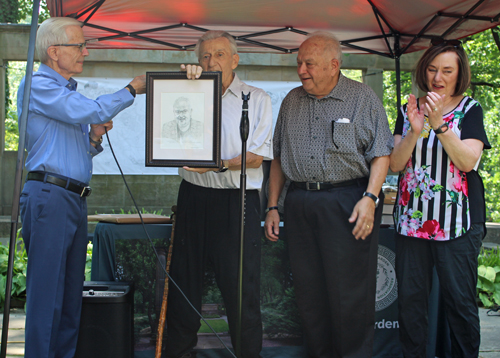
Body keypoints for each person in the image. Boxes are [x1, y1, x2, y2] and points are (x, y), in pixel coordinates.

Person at [17, 17, 146, 358]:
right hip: (50, 197)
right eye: (79, 45)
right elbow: (92, 109)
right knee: (48, 298)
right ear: (53, 51)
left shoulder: (64, 93)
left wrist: (92, 139)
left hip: (71, 198)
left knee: (71, 295)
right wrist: (132, 88)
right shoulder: (38, 85)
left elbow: (70, 149)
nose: (85, 52)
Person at [264, 31, 394, 358]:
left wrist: (371, 198)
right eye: (299, 63)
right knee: (309, 295)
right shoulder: (292, 100)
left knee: (349, 295)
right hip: (301, 203)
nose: (301, 70)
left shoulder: (362, 98)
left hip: (348, 201)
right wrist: (273, 206)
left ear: (334, 65)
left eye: (309, 64)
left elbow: (382, 152)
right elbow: (278, 157)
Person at [164, 31, 273, 358]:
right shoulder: (184, 94)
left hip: (236, 203)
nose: (211, 62)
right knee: (184, 288)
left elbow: (257, 156)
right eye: (205, 56)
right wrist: (178, 85)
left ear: (235, 60)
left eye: (220, 55)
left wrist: (218, 165)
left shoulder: (256, 99)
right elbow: (166, 135)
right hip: (192, 199)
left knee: (242, 293)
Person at [390, 39, 490, 358]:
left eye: (447, 70)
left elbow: (467, 162)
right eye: (432, 69)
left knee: (459, 304)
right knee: (410, 305)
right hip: (412, 221)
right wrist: (415, 130)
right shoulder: (408, 109)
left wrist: (440, 126)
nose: (438, 77)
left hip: (458, 224)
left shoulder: (471, 109)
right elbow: (394, 164)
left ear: (459, 73)